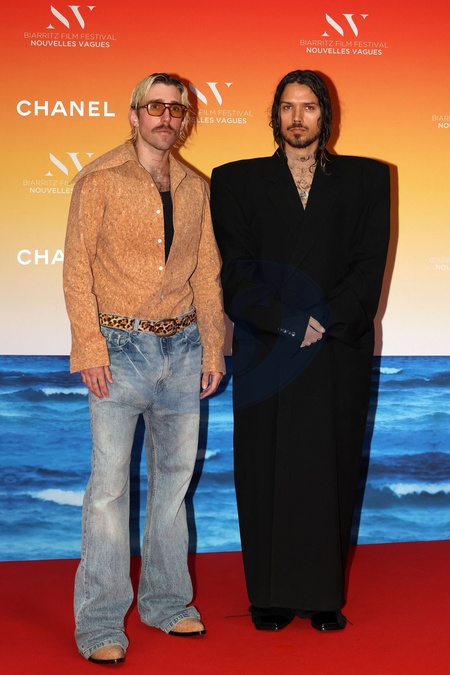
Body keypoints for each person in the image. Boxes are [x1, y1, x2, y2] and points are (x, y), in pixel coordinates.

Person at [210, 69, 390, 633]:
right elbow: (235, 271)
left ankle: (322, 595)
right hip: (268, 347)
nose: (297, 117)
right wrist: (286, 322)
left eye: (308, 107)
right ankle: (267, 596)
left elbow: (368, 266)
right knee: (264, 468)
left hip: (336, 346)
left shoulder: (367, 179)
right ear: (274, 115)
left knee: (329, 467)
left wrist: (322, 319)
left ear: (325, 115)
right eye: (287, 107)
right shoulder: (236, 180)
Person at [63, 72, 225, 664]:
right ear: (134, 115)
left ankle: (167, 603)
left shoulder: (196, 187)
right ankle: (100, 622)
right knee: (108, 491)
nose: (166, 117)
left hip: (183, 351)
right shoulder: (99, 179)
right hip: (119, 349)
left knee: (173, 486)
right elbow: (76, 270)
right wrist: (89, 348)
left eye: (175, 109)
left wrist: (212, 349)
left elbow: (206, 275)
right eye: (154, 106)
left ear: (184, 120)